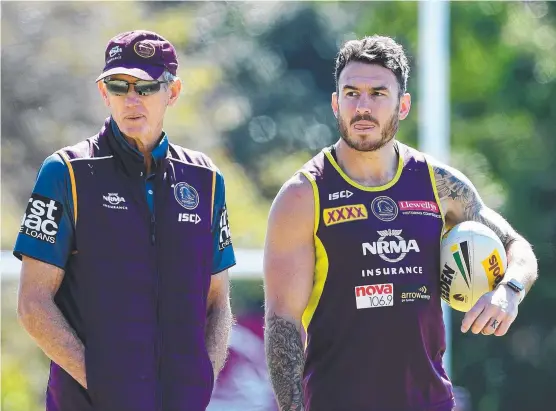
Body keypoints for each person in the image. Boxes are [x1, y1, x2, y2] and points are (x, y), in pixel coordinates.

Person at [263, 35, 538, 411]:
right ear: (335, 102)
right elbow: (283, 325)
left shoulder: (440, 186)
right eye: (351, 93)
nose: (363, 107)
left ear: (403, 104)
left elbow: (516, 247)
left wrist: (509, 291)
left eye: (378, 93)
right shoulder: (303, 196)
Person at [14, 30, 236, 411]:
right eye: (119, 86)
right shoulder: (66, 172)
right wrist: (103, 384)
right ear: (105, 94)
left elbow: (218, 302)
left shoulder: (206, 179)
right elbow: (33, 304)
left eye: (146, 87)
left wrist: (203, 380)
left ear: (173, 92)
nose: (132, 99)